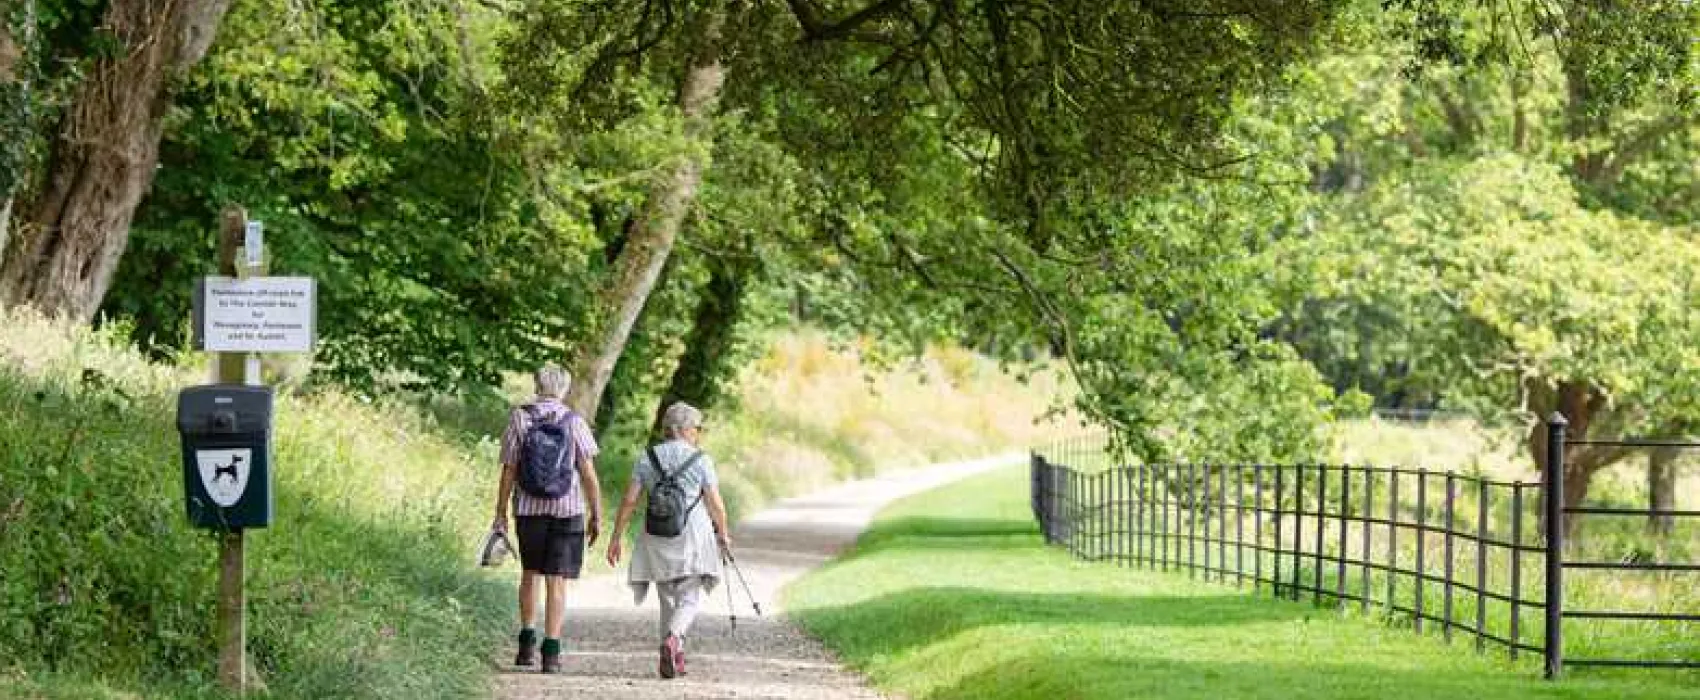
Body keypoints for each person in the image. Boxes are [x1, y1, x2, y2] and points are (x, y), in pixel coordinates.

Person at [605, 401, 731, 680]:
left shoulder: (647, 458)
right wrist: (723, 533)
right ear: (686, 429)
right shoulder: (701, 460)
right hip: (692, 534)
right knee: (689, 597)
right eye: (697, 428)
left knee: (667, 599)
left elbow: (629, 501)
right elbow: (715, 504)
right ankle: (673, 640)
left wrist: (615, 537)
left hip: (657, 535)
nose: (698, 433)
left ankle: (676, 655)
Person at [494, 364, 603, 674]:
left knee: (530, 573)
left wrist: (500, 512)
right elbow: (588, 473)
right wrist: (597, 514)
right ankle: (551, 652)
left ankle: (526, 643)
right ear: (564, 389)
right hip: (567, 510)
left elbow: (509, 469)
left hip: (528, 509)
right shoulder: (574, 421)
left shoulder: (520, 417)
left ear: (536, 385)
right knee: (557, 581)